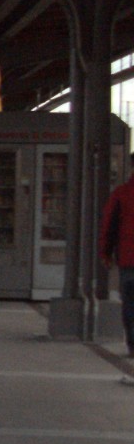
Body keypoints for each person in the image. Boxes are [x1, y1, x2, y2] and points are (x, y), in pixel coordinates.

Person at [99, 152, 134, 356]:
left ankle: (133, 344)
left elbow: (109, 225)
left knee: (130, 304)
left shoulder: (121, 194)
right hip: (127, 257)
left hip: (128, 258)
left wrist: (106, 252)